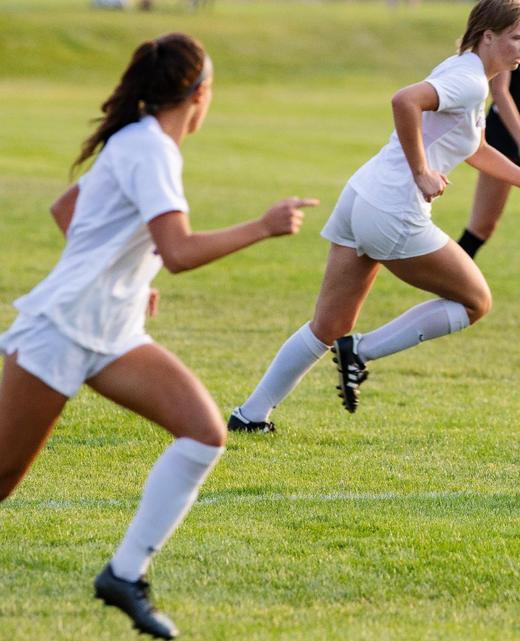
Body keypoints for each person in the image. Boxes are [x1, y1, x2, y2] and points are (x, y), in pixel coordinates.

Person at [0, 33, 314, 639]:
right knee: (3, 477)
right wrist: (264, 225)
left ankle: (123, 575)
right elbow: (178, 252)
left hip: (111, 331)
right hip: (62, 328)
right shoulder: (151, 150)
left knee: (203, 431)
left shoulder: (140, 142)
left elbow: (69, 210)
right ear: (199, 95)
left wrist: (126, 277)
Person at [228, 0, 520, 430]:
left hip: (361, 196)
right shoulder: (470, 82)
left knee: (328, 324)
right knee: (476, 301)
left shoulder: (463, 69)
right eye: (518, 36)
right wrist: (423, 172)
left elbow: (477, 150)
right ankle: (362, 351)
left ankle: (249, 415)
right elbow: (403, 101)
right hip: (392, 208)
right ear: (488, 36)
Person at [457, 0, 520, 258]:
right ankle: (447, 283)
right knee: (482, 227)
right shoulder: (512, 40)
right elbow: (500, 92)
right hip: (504, 142)